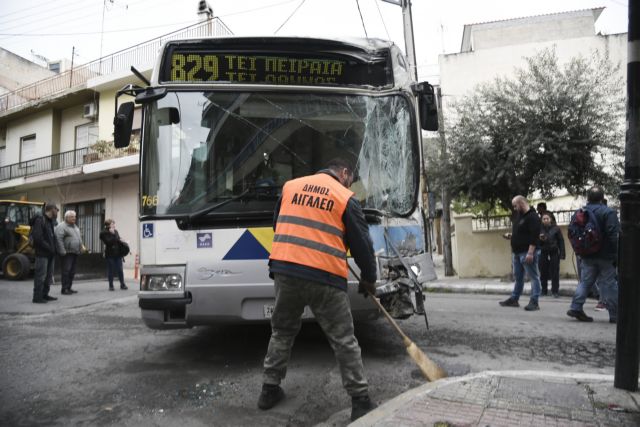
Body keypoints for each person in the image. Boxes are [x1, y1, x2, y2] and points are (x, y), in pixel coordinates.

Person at [258, 158, 378, 422]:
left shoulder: (291, 187)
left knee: (281, 331)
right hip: (324, 276)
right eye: (351, 178)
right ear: (344, 173)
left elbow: (279, 224)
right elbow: (363, 247)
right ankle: (360, 400)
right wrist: (369, 279)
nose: (350, 183)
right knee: (344, 339)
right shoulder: (345, 197)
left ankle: (269, 389)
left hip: (286, 271)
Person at [567, 186, 618, 323]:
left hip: (587, 255)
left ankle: (576, 307)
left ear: (588, 198)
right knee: (609, 284)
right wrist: (617, 255)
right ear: (602, 198)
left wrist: (579, 251)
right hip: (606, 256)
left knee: (585, 282)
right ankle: (615, 315)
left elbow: (572, 233)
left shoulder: (580, 212)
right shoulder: (608, 212)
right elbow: (614, 236)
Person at [499, 195, 542, 311]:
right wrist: (512, 237)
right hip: (517, 253)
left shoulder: (533, 217)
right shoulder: (519, 216)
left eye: (515, 206)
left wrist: (530, 253)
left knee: (534, 277)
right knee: (518, 277)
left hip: (527, 252)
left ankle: (534, 301)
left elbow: (534, 236)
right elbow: (522, 233)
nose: (514, 208)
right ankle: (514, 299)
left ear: (522, 203)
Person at [31, 204, 59, 303]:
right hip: (42, 254)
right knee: (40, 276)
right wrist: (50, 248)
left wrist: (54, 249)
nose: (58, 211)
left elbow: (52, 237)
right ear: (51, 209)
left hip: (50, 254)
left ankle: (45, 294)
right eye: (57, 209)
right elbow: (38, 238)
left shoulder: (51, 221)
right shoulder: (40, 220)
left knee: (48, 276)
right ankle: (37, 297)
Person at [55, 210, 85, 295]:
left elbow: (79, 238)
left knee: (72, 271)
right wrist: (62, 251)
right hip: (67, 252)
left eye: (74, 216)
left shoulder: (75, 227)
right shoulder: (61, 226)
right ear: (66, 217)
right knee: (66, 271)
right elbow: (58, 239)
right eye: (72, 216)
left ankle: (69, 287)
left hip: (75, 252)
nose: (74, 218)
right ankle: (64, 289)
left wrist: (81, 247)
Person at [538, 212, 565, 297]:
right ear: (542, 220)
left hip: (554, 253)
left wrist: (562, 254)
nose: (545, 220)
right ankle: (544, 291)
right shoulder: (539, 229)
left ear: (551, 219)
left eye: (547, 218)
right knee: (543, 272)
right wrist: (540, 240)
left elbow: (561, 241)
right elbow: (536, 242)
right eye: (544, 219)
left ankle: (555, 291)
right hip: (543, 253)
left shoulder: (556, 228)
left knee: (555, 272)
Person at [99, 219, 128, 291]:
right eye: (113, 224)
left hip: (118, 253)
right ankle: (111, 286)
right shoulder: (103, 233)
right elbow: (108, 242)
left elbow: (117, 239)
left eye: (114, 224)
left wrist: (122, 240)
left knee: (120, 269)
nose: (114, 225)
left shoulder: (115, 231)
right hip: (110, 254)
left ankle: (122, 284)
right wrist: (113, 235)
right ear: (108, 225)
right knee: (111, 270)